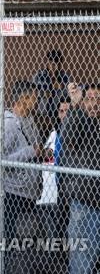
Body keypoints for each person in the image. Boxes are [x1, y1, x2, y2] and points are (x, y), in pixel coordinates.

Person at [2, 80, 49, 274]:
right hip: (13, 192)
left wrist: (41, 152)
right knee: (13, 242)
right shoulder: (8, 124)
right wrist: (30, 151)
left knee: (29, 241)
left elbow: (34, 149)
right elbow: (0, 159)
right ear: (24, 98)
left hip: (31, 191)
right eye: (35, 97)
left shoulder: (30, 121)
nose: (38, 101)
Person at [61, 84, 99, 274]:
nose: (95, 104)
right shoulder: (80, 120)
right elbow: (67, 137)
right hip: (85, 202)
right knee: (81, 262)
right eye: (90, 99)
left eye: (98, 100)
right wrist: (74, 105)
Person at [36, 95, 70, 273]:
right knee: (52, 242)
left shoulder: (80, 132)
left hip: (68, 195)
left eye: (68, 110)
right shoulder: (54, 133)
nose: (64, 114)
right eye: (61, 111)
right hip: (49, 196)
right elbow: (47, 155)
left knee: (65, 241)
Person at [33, 50, 70, 120]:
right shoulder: (38, 76)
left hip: (59, 115)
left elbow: (69, 96)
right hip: (41, 114)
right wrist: (43, 93)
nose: (53, 65)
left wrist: (61, 88)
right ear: (47, 62)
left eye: (56, 63)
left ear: (60, 64)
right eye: (50, 62)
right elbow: (31, 91)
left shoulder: (65, 77)